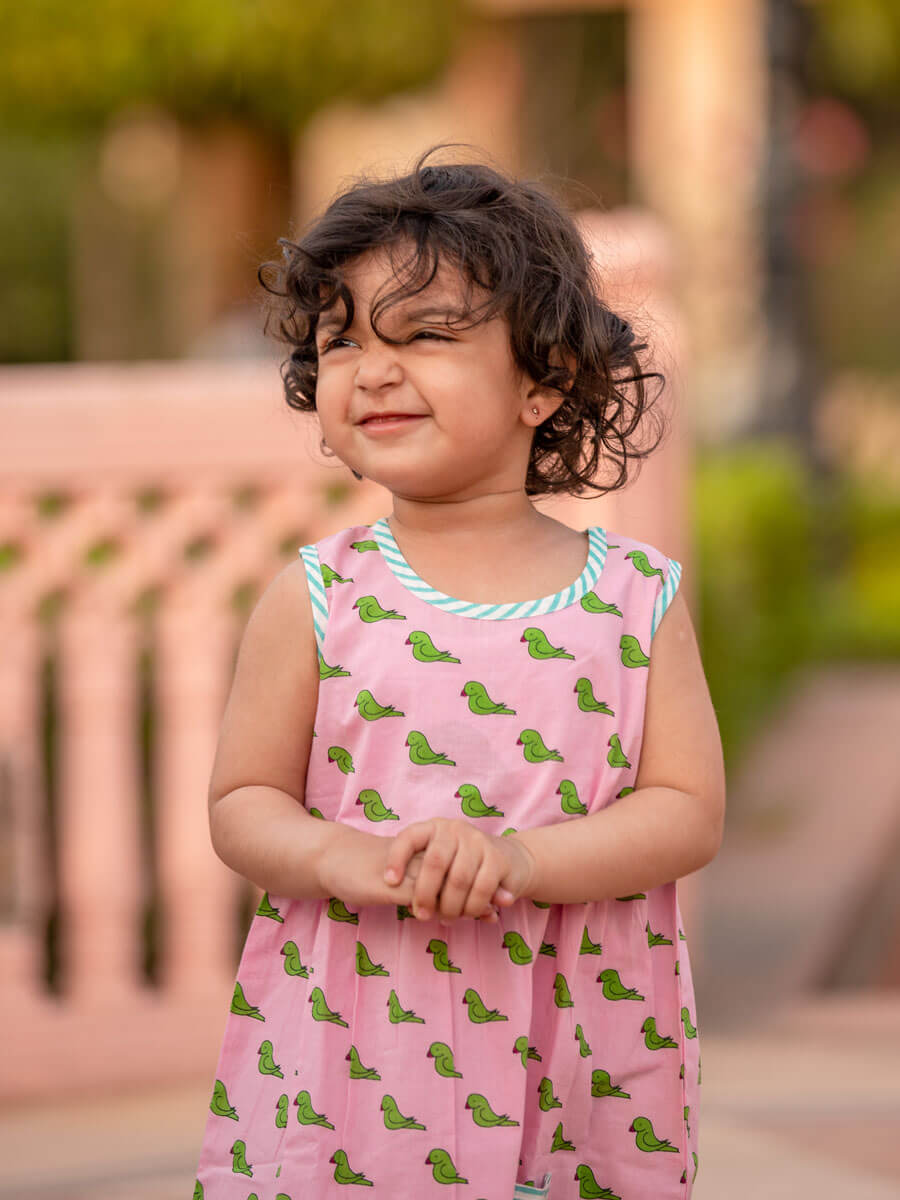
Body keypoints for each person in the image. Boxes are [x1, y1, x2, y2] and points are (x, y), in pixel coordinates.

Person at [192, 143, 726, 1200]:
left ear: (546, 381)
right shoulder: (317, 597)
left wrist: (518, 859)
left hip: (582, 1046)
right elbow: (243, 801)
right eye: (343, 340)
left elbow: (686, 811)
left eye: (426, 335)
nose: (372, 370)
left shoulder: (635, 600)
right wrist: (341, 856)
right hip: (356, 1045)